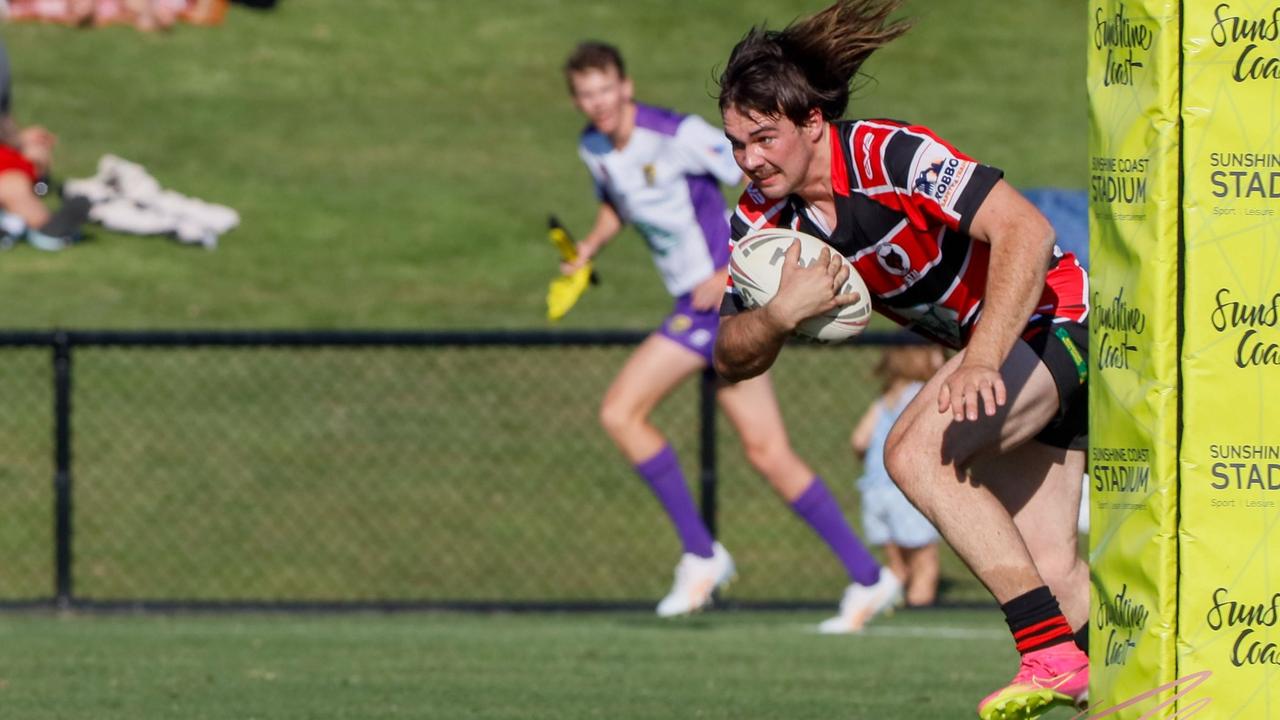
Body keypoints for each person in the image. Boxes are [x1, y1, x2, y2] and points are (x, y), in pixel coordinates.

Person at [711, 2, 1090, 717]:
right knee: (1050, 568)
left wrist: (981, 361)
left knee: (913, 452)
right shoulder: (761, 221)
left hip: (1059, 318)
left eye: (764, 138)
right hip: (1012, 354)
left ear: (811, 123)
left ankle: (1044, 653)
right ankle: (1135, 697)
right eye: (736, 143)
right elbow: (729, 356)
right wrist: (778, 314)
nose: (750, 159)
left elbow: (1026, 231)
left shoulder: (891, 155)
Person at [561, 41, 900, 630]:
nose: (598, 103)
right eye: (585, 93)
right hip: (695, 307)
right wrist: (590, 247)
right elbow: (619, 202)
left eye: (605, 88)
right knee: (768, 453)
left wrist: (727, 271)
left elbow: (758, 186)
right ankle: (870, 578)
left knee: (621, 411)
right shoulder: (594, 150)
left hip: (715, 303)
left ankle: (700, 554)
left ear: (626, 85)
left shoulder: (677, 134)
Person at [850, 345, 943, 607]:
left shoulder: (884, 400)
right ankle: (920, 609)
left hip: (874, 492)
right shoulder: (922, 395)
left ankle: (880, 606)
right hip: (906, 493)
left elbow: (859, 440)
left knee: (898, 567)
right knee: (925, 562)